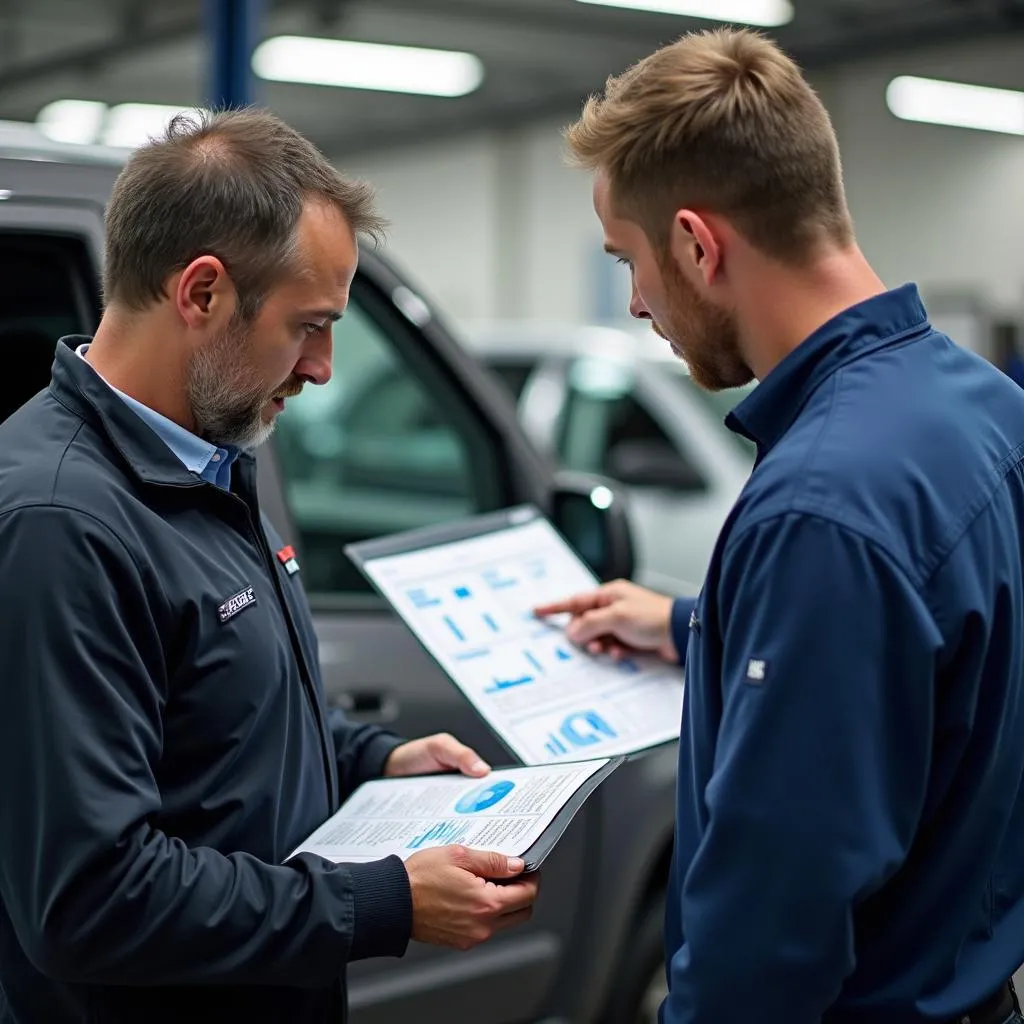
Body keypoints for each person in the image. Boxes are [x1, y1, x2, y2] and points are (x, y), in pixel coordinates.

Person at [0, 109, 538, 1024]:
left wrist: (375, 759)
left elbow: (220, 720)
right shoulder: (62, 525)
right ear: (202, 293)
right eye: (310, 326)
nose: (325, 367)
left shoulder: (205, 462)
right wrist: (384, 902)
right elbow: (90, 898)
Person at [537, 27, 1024, 1024]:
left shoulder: (821, 509)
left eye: (628, 262)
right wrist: (694, 625)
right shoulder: (986, 410)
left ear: (695, 243)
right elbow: (933, 659)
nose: (636, 305)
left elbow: (771, 928)